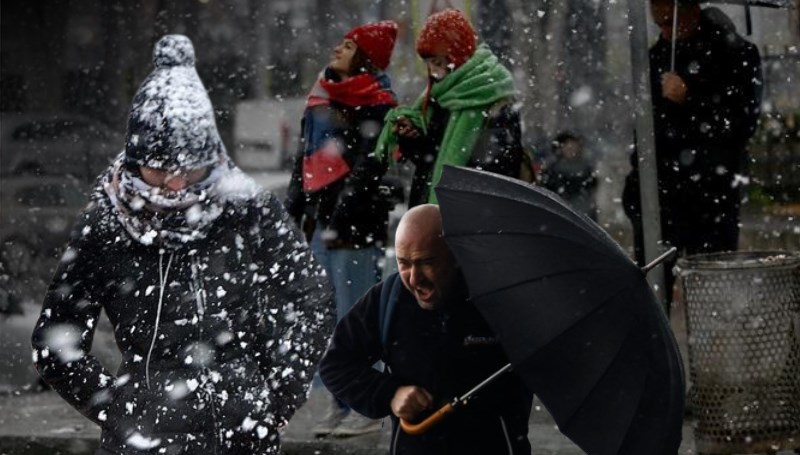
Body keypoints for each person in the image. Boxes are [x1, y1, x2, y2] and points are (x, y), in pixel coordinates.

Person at [31, 35, 335, 455]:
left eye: (189, 169)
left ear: (210, 157)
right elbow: (55, 342)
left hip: (245, 437)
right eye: (158, 169)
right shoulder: (106, 223)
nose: (174, 184)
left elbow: (311, 300)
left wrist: (276, 395)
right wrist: (121, 410)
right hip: (144, 442)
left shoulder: (248, 208)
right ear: (135, 158)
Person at [319, 204, 533, 454]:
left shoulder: (501, 300)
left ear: (455, 255)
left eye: (426, 262)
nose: (413, 278)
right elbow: (336, 365)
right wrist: (390, 393)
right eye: (404, 263)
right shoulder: (389, 297)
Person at [283, 20, 399, 437]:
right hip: (320, 223)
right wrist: (294, 208)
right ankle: (339, 402)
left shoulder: (378, 103)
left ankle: (368, 407)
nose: (338, 49)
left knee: (357, 317)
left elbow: (372, 164)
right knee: (326, 317)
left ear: (365, 57)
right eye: (341, 42)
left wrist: (344, 205)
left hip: (355, 226)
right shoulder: (321, 97)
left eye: (349, 46)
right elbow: (303, 160)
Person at [622, 0, 762, 307]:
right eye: (657, 23)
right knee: (652, 299)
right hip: (660, 197)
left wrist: (690, 98)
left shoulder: (736, 55)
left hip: (710, 194)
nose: (664, 31)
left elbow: (740, 124)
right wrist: (636, 192)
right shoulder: (655, 58)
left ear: (691, 13)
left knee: (710, 298)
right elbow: (645, 131)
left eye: (669, 22)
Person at [373, 8, 527, 207]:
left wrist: (462, 181)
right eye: (428, 64)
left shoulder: (493, 96)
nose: (433, 73)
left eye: (437, 63)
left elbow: (501, 168)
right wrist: (411, 138)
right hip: (432, 214)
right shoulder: (440, 96)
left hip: (472, 214)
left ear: (457, 56)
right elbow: (428, 160)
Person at [539, 131, 598, 221]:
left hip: (583, 215)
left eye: (574, 147)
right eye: (568, 147)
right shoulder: (552, 170)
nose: (572, 150)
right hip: (561, 215)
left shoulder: (585, 168)